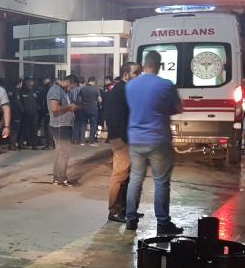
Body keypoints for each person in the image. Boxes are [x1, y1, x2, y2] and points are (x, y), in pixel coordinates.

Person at [125, 50, 184, 235]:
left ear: (144, 65)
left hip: (135, 138)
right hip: (158, 139)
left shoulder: (131, 85)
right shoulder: (166, 85)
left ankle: (130, 219)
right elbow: (178, 108)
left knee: (135, 179)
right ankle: (163, 223)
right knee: (161, 182)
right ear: (159, 66)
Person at [105, 62, 141, 223]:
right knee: (119, 175)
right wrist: (122, 140)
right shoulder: (119, 91)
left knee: (127, 176)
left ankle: (126, 210)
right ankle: (114, 211)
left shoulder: (126, 90)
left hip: (128, 138)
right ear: (126, 75)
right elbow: (115, 119)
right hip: (122, 139)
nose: (139, 76)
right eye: (136, 73)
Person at [48, 75, 79, 186]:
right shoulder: (56, 91)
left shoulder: (61, 90)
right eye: (72, 87)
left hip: (62, 125)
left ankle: (57, 178)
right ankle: (61, 178)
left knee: (60, 152)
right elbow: (55, 109)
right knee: (64, 153)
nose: (71, 89)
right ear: (68, 82)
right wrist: (70, 107)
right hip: (60, 126)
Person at [78, 76, 101, 145]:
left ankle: (82, 141)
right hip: (93, 109)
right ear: (94, 81)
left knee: (83, 124)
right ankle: (91, 142)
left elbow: (79, 100)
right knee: (93, 125)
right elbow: (100, 99)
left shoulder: (82, 89)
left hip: (84, 109)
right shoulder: (96, 89)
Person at [16, 77, 39, 149]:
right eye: (28, 81)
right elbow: (19, 102)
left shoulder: (36, 91)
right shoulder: (21, 91)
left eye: (31, 81)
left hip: (34, 113)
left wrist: (37, 109)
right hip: (24, 114)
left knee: (34, 129)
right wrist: (22, 110)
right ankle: (20, 144)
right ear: (25, 82)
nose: (30, 83)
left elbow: (39, 101)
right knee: (23, 129)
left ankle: (34, 145)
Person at [38, 77, 54, 149]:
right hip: (50, 112)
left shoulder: (48, 91)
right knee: (48, 128)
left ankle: (50, 144)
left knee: (48, 128)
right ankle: (50, 144)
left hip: (49, 112)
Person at [69, 74, 84, 144]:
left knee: (75, 124)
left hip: (73, 107)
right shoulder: (83, 88)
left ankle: (74, 139)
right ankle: (80, 139)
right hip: (81, 107)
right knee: (81, 124)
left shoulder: (72, 89)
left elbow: (70, 98)